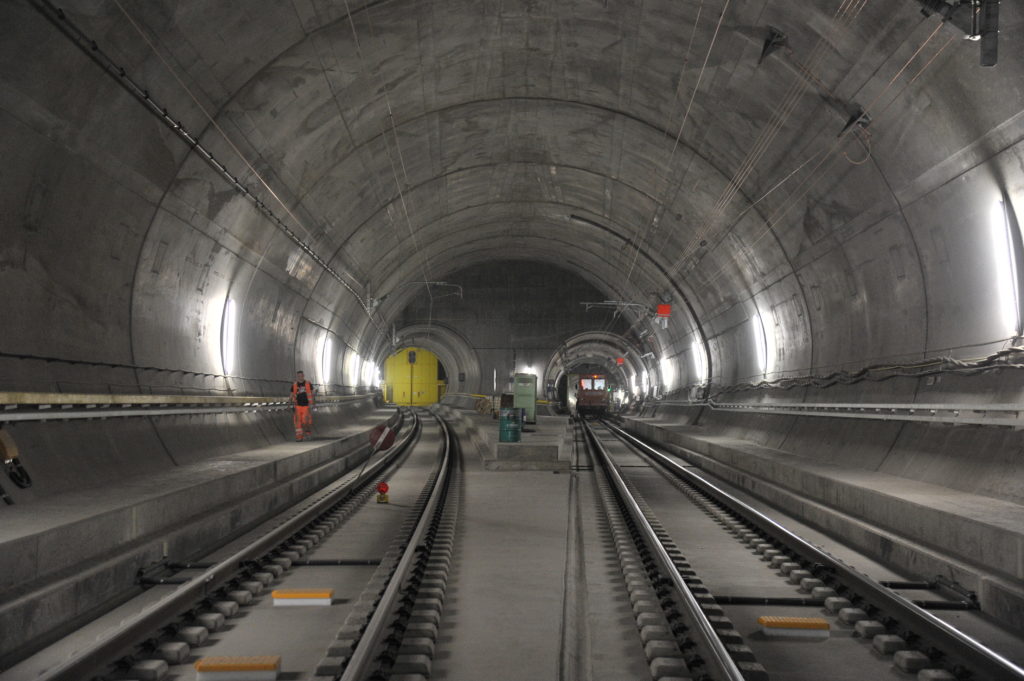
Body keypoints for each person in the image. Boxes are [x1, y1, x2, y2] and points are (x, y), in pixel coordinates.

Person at [290, 370, 314, 441]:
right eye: (299, 376)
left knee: (305, 421)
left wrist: (313, 403)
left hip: (306, 405)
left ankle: (307, 432)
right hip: (297, 405)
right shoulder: (294, 385)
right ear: (297, 376)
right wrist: (289, 402)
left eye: (301, 376)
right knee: (297, 421)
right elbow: (291, 394)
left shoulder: (308, 384)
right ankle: (299, 437)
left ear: (303, 376)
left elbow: (312, 393)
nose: (300, 377)